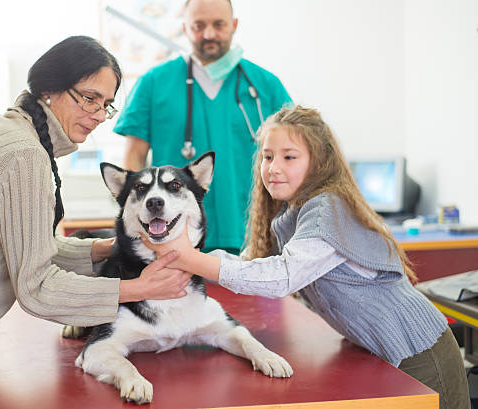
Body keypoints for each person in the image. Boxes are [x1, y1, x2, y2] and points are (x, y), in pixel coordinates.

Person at [0, 36, 191, 409]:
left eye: (106, 105)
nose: (97, 114)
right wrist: (137, 288)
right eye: (89, 98)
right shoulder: (23, 155)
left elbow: (26, 246)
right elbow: (36, 287)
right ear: (50, 89)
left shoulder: (19, 137)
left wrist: (106, 247)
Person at [144, 106, 471, 409]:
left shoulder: (327, 209)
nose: (273, 168)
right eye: (268, 157)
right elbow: (252, 265)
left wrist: (188, 258)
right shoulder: (294, 212)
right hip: (382, 351)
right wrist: (197, 255)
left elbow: (282, 277)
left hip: (420, 352)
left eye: (289, 157)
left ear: (319, 161)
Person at [113, 0, 292, 254]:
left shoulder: (266, 85)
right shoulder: (153, 83)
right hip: (171, 235)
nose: (209, 34)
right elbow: (134, 158)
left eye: (219, 25)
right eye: (199, 25)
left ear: (234, 25)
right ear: (185, 28)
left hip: (254, 232)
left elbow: (292, 157)